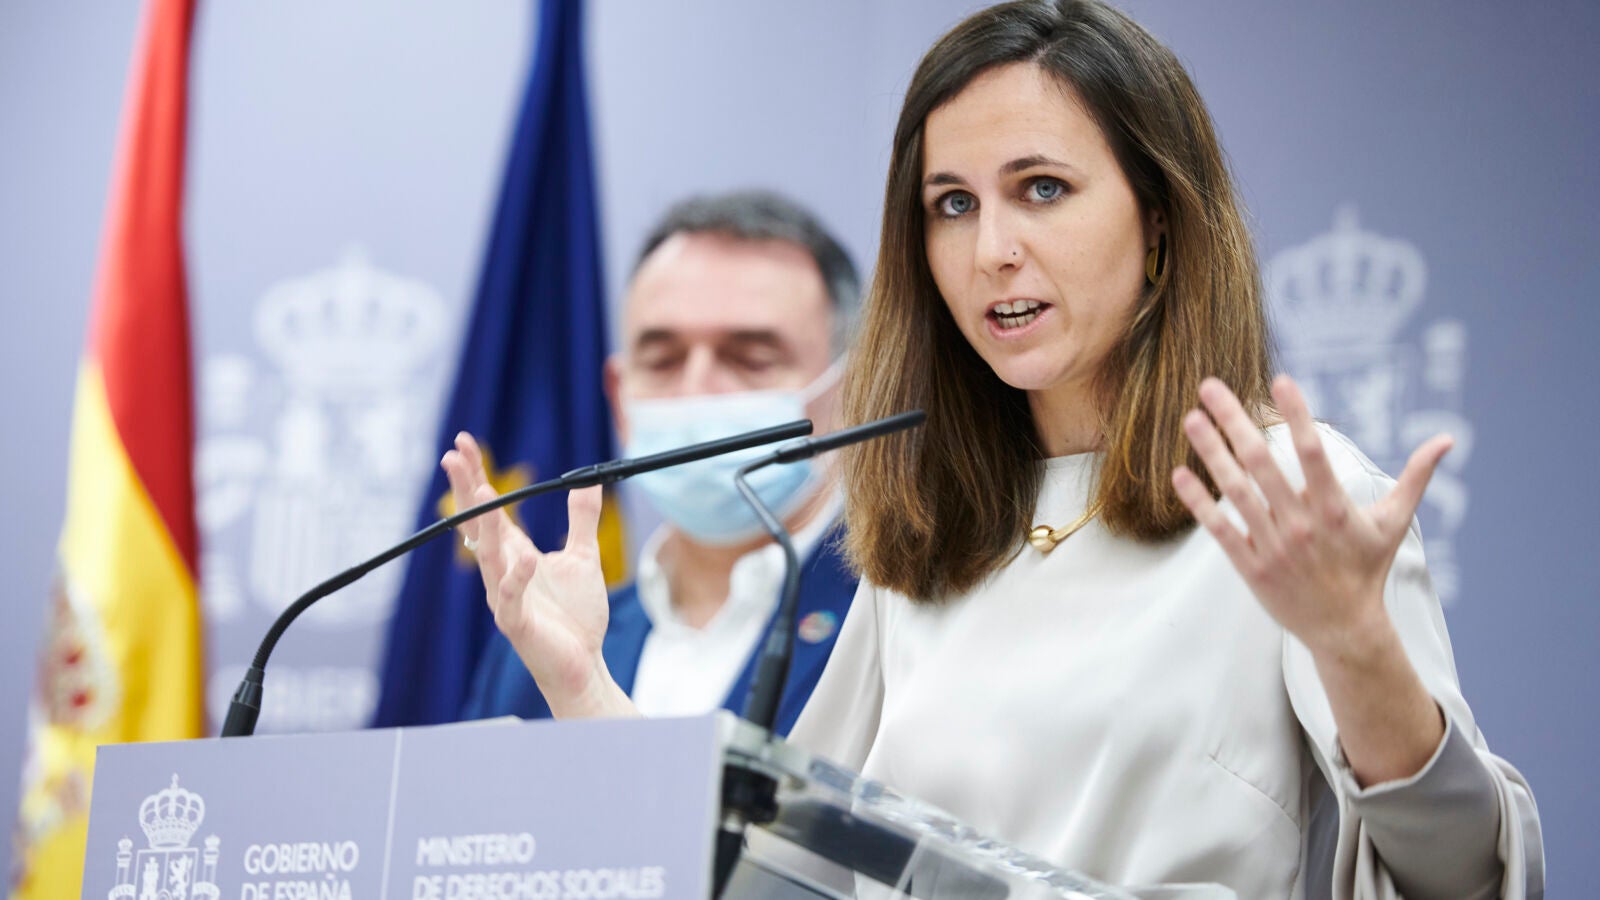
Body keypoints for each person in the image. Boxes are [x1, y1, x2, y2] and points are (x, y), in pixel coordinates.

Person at [461, 3, 1544, 898]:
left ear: (1161, 218)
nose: (991, 250)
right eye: (951, 204)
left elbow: (1470, 876)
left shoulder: (1286, 502)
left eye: (1042, 190)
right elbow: (778, 875)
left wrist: (1357, 648)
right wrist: (584, 689)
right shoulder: (926, 533)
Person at [453, 190, 860, 737]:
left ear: (852, 390)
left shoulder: (893, 622)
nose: (697, 388)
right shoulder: (537, 642)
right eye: (663, 359)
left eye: (752, 358)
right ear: (620, 399)